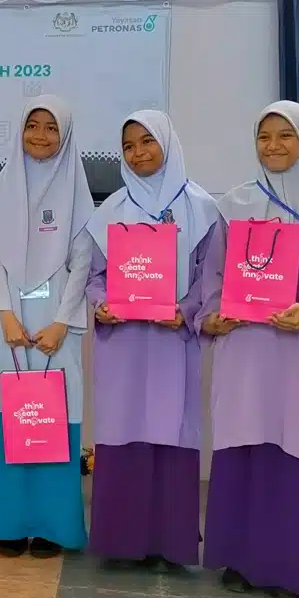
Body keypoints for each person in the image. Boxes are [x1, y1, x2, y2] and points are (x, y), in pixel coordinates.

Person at [198, 101, 299, 598]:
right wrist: (211, 313)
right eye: (263, 137)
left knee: (295, 451)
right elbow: (213, 277)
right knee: (245, 444)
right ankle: (244, 560)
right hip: (245, 350)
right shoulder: (235, 205)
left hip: (297, 359)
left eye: (284, 136)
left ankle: (296, 570)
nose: (273, 146)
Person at [84, 111, 217, 570]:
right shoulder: (111, 211)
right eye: (128, 146)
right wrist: (100, 304)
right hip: (123, 343)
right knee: (123, 433)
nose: (138, 153)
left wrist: (184, 311)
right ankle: (122, 541)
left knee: (171, 432)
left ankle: (169, 542)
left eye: (147, 142)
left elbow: (210, 279)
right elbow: (95, 277)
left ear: (167, 143)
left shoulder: (202, 209)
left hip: (172, 343)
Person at [0, 96, 94, 558]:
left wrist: (63, 322)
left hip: (55, 329)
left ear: (64, 136)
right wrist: (4, 314)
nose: (41, 136)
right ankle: (10, 522)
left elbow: (82, 263)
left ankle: (51, 525)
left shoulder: (77, 194)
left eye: (51, 128)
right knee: (6, 416)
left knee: (54, 419)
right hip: (7, 326)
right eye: (33, 126)